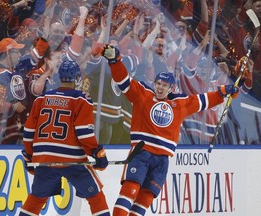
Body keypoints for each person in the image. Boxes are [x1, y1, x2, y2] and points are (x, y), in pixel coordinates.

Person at [101, 45, 240, 216]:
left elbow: (203, 100)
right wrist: (115, 61)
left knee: (145, 199)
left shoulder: (180, 104)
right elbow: (123, 81)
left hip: (162, 159)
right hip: (141, 152)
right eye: (158, 83)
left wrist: (224, 92)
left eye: (164, 85)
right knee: (130, 190)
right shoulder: (142, 94)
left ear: (171, 88)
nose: (160, 87)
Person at [19, 60, 110, 216]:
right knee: (95, 196)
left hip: (45, 159)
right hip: (73, 161)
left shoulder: (41, 99)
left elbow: (28, 132)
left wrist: (29, 156)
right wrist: (98, 153)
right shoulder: (81, 99)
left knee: (37, 199)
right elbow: (84, 133)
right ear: (76, 78)